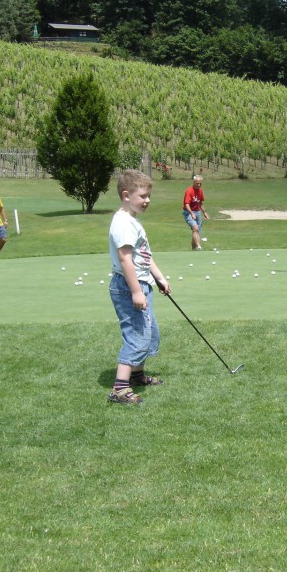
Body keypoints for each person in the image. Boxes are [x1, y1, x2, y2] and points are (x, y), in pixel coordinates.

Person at [108, 170, 171, 405]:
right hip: (128, 286)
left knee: (149, 332)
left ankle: (135, 376)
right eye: (142, 196)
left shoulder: (132, 220)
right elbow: (125, 259)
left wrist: (160, 278)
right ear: (126, 195)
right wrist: (135, 291)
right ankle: (119, 389)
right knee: (137, 335)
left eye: (148, 196)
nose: (147, 201)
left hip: (142, 284)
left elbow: (143, 257)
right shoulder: (123, 223)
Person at [182, 175, 209, 250]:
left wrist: (204, 212)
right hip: (188, 212)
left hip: (197, 212)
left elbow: (200, 202)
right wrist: (191, 213)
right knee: (195, 228)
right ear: (193, 182)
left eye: (200, 183)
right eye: (197, 183)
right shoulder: (189, 191)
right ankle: (199, 246)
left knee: (196, 231)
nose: (199, 185)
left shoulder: (200, 190)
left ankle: (193, 250)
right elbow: (186, 204)